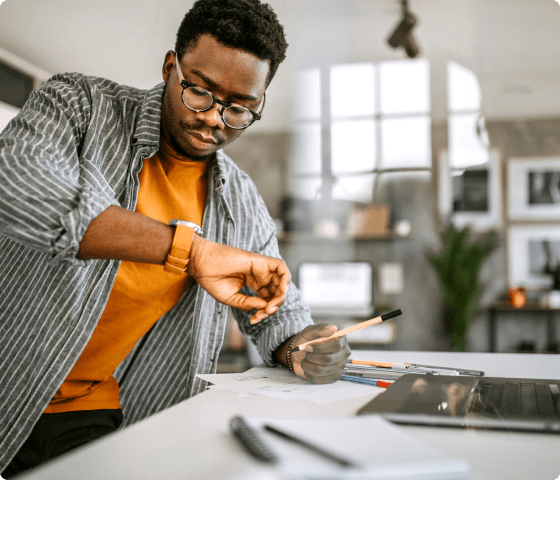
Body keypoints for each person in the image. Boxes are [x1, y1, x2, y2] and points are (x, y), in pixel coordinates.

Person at [0, 0, 350, 478]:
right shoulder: (80, 105)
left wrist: (300, 345)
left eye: (239, 109)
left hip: (91, 412)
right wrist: (191, 250)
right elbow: (19, 188)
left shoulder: (240, 200)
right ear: (171, 67)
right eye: (200, 93)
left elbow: (277, 308)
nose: (213, 119)